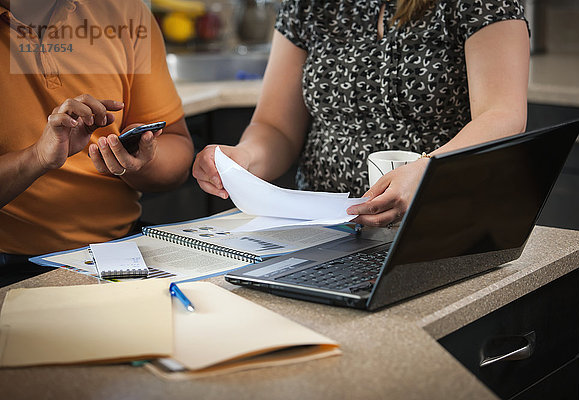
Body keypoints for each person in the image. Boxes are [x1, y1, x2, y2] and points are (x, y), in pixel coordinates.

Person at [193, 0, 529, 227]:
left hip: (439, 222)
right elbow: (275, 126)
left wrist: (427, 171)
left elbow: (502, 114)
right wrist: (243, 160)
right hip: (321, 232)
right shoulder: (309, 6)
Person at [0, 0, 194, 278]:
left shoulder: (125, 10)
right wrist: (38, 158)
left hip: (123, 246)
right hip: (14, 265)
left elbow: (177, 150)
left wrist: (140, 162)